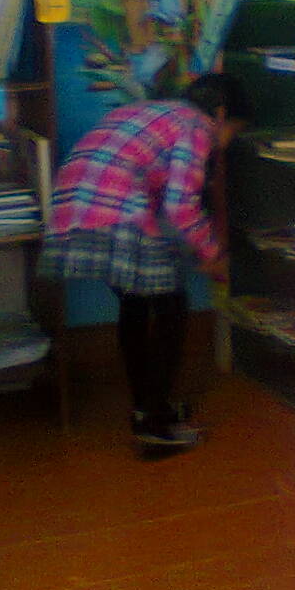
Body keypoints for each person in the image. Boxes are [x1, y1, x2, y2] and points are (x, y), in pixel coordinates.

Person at [40, 72, 251, 453]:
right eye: (233, 131)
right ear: (220, 114)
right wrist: (214, 256)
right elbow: (181, 206)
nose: (227, 142)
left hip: (73, 209)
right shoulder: (196, 126)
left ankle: (148, 407)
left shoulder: (149, 110)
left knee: (135, 304)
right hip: (119, 211)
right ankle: (156, 423)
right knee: (171, 306)